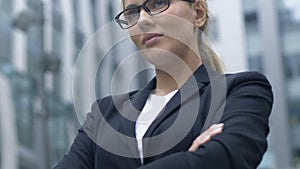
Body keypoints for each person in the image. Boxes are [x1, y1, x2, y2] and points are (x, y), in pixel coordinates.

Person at [54, 0, 273, 168]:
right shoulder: (105, 114)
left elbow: (227, 157)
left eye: (158, 3)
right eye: (132, 12)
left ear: (197, 14)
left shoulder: (240, 91)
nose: (141, 20)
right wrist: (191, 158)